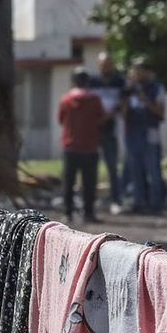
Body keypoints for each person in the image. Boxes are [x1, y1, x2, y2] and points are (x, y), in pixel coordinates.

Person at [57, 67, 105, 222]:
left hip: (70, 145)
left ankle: (67, 212)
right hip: (90, 146)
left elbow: (60, 119)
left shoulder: (66, 99)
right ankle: (88, 213)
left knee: (68, 182)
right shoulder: (94, 99)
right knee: (89, 183)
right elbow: (101, 117)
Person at [122, 58, 166, 215]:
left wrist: (145, 100)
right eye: (134, 69)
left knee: (153, 170)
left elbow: (160, 111)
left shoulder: (156, 88)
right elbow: (123, 113)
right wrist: (125, 101)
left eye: (139, 69)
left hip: (150, 133)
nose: (136, 73)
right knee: (135, 171)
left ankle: (156, 204)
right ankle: (139, 202)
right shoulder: (129, 88)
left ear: (147, 71)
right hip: (133, 134)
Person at [91, 51, 125, 201]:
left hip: (111, 129)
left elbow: (123, 103)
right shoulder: (92, 81)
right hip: (93, 130)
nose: (106, 67)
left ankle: (115, 198)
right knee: (91, 167)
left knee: (112, 166)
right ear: (99, 65)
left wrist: (110, 114)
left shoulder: (119, 81)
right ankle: (92, 198)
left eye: (108, 64)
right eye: (103, 65)